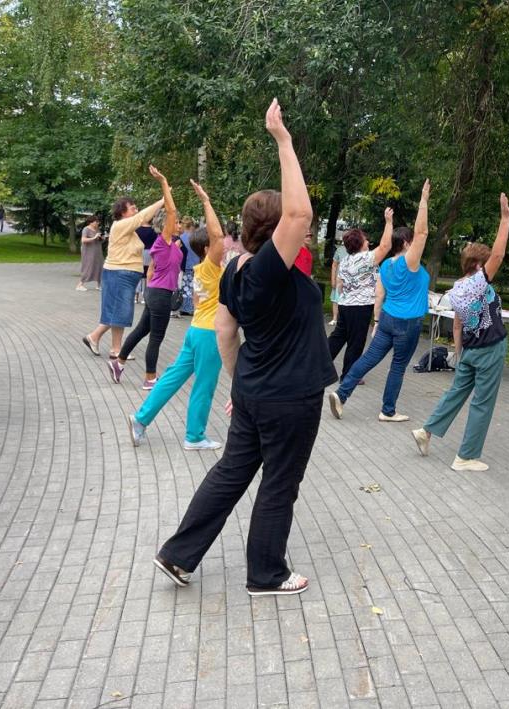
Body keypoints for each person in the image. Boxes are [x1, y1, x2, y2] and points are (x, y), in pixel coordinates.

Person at [153, 99, 335, 597]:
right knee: (280, 482)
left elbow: (225, 331)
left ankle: (177, 554)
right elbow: (300, 211)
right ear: (277, 231)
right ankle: (266, 574)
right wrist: (283, 139)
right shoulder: (268, 269)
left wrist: (240, 383)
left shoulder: (235, 267)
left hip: (257, 391)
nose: (303, 229)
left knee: (233, 471)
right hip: (290, 396)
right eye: (291, 228)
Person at [410, 195, 509, 471]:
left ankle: (425, 431)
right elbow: (500, 255)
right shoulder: (479, 283)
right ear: (480, 265)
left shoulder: (457, 288)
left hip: (469, 349)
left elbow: (457, 324)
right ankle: (466, 456)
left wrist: (459, 352)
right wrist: (505, 220)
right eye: (487, 261)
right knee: (483, 402)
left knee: (456, 393)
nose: (492, 263)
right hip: (490, 349)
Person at [129, 180, 226, 451]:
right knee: (204, 386)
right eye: (218, 245)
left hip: (196, 331)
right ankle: (194, 437)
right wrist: (206, 202)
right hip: (208, 334)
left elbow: (197, 300)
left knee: (171, 378)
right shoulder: (210, 266)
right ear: (207, 249)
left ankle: (140, 419)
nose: (224, 245)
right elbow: (217, 237)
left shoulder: (202, 270)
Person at [328, 181, 431, 423]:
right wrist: (424, 199)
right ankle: (388, 410)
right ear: (406, 244)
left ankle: (342, 394)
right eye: (412, 241)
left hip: (386, 318)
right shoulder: (410, 262)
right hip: (407, 323)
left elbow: (380, 294)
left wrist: (376, 321)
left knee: (368, 358)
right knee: (397, 366)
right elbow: (423, 233)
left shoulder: (385, 265)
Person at [107, 168, 182, 389]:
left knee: (142, 330)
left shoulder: (173, 245)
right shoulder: (163, 241)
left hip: (155, 292)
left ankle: (118, 363)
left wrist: (150, 288)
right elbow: (171, 211)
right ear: (166, 226)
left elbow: (151, 271)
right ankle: (150, 378)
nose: (177, 224)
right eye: (175, 223)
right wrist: (164, 183)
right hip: (159, 295)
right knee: (156, 337)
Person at [82, 168, 167, 360]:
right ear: (122, 212)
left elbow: (140, 220)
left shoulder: (128, 229)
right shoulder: (121, 225)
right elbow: (141, 218)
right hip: (120, 273)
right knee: (119, 311)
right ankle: (112, 348)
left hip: (121, 274)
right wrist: (162, 201)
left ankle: (99, 340)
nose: (136, 210)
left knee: (117, 311)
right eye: (133, 207)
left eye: (137, 207)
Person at [326, 208, 394, 380]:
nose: (368, 242)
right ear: (359, 243)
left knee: (338, 336)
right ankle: (349, 375)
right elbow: (385, 246)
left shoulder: (346, 260)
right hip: (360, 306)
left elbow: (341, 285)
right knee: (356, 342)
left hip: (345, 304)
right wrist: (388, 222)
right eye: (365, 240)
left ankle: (320, 366)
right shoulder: (365, 258)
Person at [76, 216, 104, 291]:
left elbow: (99, 241)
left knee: (99, 267)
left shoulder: (97, 229)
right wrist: (94, 237)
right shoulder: (86, 229)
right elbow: (83, 240)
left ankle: (99, 285)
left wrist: (102, 238)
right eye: (96, 221)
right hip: (88, 252)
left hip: (97, 251)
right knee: (88, 267)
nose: (97, 223)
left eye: (98, 221)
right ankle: (79, 285)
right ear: (91, 222)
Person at [179, 217, 199, 317]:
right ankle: (191, 307)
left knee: (184, 286)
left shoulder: (181, 238)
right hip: (195, 264)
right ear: (191, 226)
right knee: (193, 287)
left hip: (185, 264)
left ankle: (183, 307)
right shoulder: (195, 237)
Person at [135, 220, 158, 304]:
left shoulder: (137, 230)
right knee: (147, 275)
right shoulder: (153, 230)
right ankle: (145, 297)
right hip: (150, 253)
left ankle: (136, 297)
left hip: (140, 252)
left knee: (139, 274)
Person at [328, 239, 347, 325]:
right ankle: (335, 319)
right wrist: (333, 279)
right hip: (339, 278)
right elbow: (334, 265)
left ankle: (344, 320)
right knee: (336, 299)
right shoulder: (339, 250)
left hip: (350, 280)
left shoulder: (356, 249)